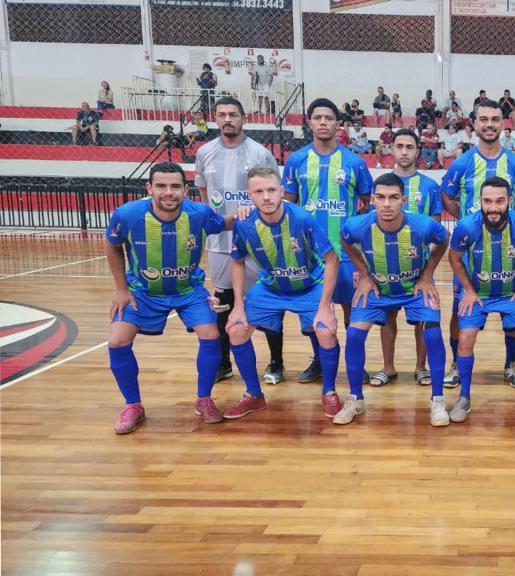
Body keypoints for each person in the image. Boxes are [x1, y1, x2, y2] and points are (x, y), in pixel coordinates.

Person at [104, 162, 239, 434]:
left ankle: (204, 399)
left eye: (175, 186)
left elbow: (224, 223)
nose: (169, 192)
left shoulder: (199, 214)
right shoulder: (128, 215)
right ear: (149, 188)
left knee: (211, 334)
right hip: (143, 291)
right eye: (161, 186)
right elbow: (112, 243)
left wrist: (247, 212)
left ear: (185, 190)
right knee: (117, 340)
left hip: (188, 290)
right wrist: (121, 288)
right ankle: (133, 405)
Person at [222, 166, 342, 420]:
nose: (266, 197)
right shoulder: (244, 224)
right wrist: (238, 306)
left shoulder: (303, 219)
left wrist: (325, 305)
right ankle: (254, 395)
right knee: (236, 329)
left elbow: (331, 259)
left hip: (309, 286)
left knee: (325, 330)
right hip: (271, 288)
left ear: (282, 191)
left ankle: (329, 392)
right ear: (250, 195)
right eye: (259, 191)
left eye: (271, 190)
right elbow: (237, 261)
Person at [336, 173, 451, 426]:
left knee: (432, 333)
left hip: (415, 290)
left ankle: (438, 400)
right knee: (354, 335)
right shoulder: (358, 225)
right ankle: (356, 399)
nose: (387, 204)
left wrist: (427, 275)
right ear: (372, 199)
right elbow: (345, 241)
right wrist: (364, 275)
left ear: (404, 200)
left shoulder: (423, 225)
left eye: (393, 198)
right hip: (378, 290)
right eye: (380, 197)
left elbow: (444, 241)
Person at [441, 99, 515, 389]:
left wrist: (510, 217)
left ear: (503, 123)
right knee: (462, 310)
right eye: (484, 119)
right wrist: (471, 220)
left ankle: (511, 363)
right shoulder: (463, 162)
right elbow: (447, 195)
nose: (490, 124)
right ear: (475, 123)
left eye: (495, 119)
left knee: (513, 310)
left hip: (508, 250)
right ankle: (457, 363)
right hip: (472, 253)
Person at [282, 98, 374, 384]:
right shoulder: (296, 161)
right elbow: (289, 205)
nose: (323, 122)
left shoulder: (355, 162)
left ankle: (354, 362)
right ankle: (320, 360)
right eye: (317, 117)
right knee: (312, 311)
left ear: (338, 124)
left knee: (352, 312)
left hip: (345, 253)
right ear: (309, 122)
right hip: (309, 255)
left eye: (329, 118)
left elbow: (366, 203)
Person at [195, 96, 283, 384]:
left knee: (268, 299)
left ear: (243, 118)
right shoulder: (205, 152)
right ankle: (223, 363)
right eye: (221, 114)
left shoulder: (259, 153)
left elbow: (271, 191)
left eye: (233, 113)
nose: (227, 119)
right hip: (220, 243)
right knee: (223, 300)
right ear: (215, 119)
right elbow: (204, 194)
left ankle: (276, 363)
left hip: (258, 243)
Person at [448, 177, 515, 423]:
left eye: (500, 201)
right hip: (478, 293)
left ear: (509, 201)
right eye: (487, 201)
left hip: (511, 293)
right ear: (480, 201)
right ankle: (464, 397)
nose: (493, 207)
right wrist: (468, 290)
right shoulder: (467, 226)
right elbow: (455, 258)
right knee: (466, 337)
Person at [372, 129, 444, 389]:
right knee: (387, 317)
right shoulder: (380, 183)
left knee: (423, 318)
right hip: (384, 266)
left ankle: (420, 368)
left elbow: (437, 232)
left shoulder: (429, 186)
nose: (404, 151)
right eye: (399, 146)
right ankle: (388, 367)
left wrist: (427, 271)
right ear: (392, 150)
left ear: (418, 151)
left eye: (410, 147)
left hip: (420, 268)